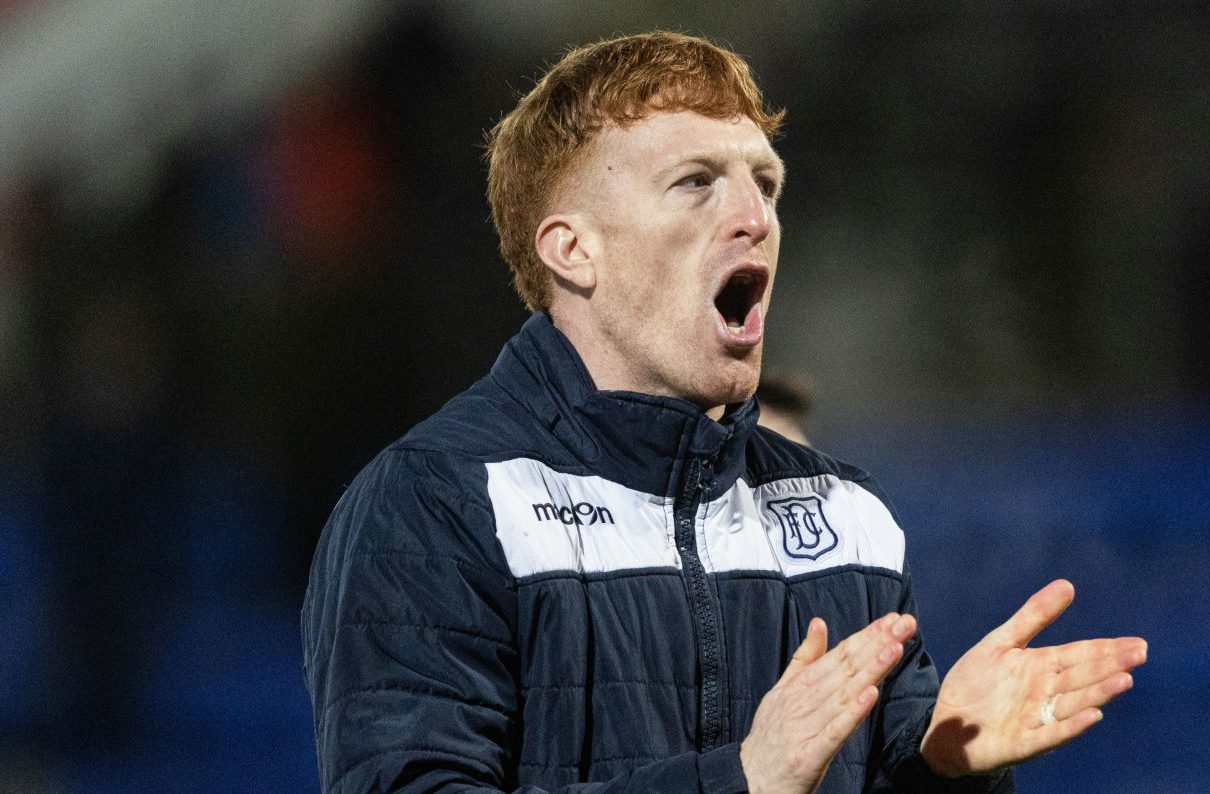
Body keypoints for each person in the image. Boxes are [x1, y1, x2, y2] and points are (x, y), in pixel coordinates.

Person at [301, 31, 1147, 794]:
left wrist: (943, 769)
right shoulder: (436, 505)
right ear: (573, 250)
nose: (755, 219)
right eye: (697, 182)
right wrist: (740, 781)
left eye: (765, 184)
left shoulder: (845, 517)